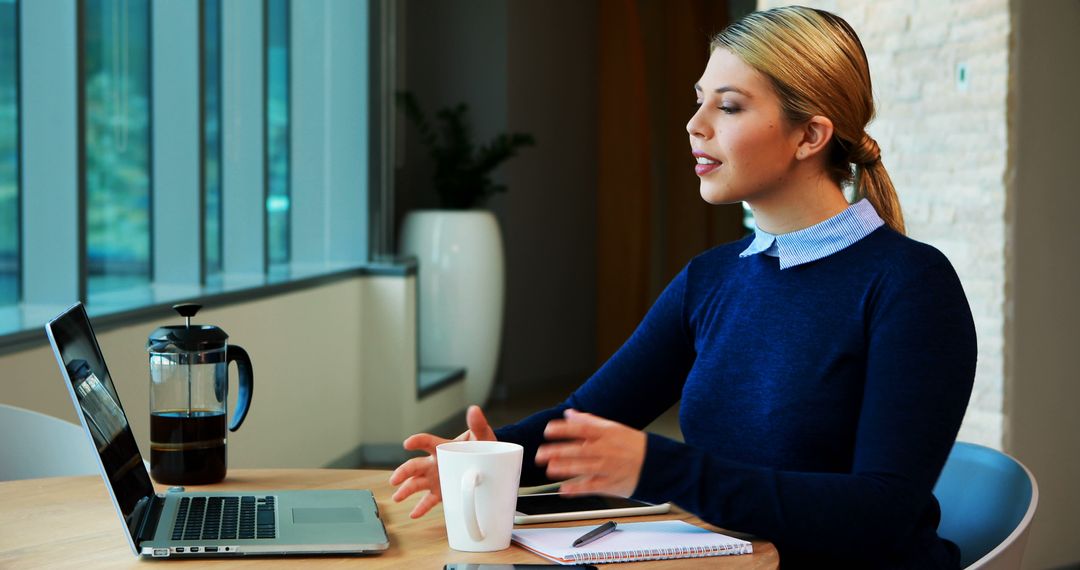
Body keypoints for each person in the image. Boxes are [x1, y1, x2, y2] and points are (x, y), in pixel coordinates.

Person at [390, 6, 976, 568]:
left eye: (729, 106)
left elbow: (881, 514)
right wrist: (490, 457)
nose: (695, 126)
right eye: (700, 102)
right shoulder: (711, 279)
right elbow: (586, 418)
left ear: (810, 135)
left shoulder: (911, 287)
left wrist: (658, 467)